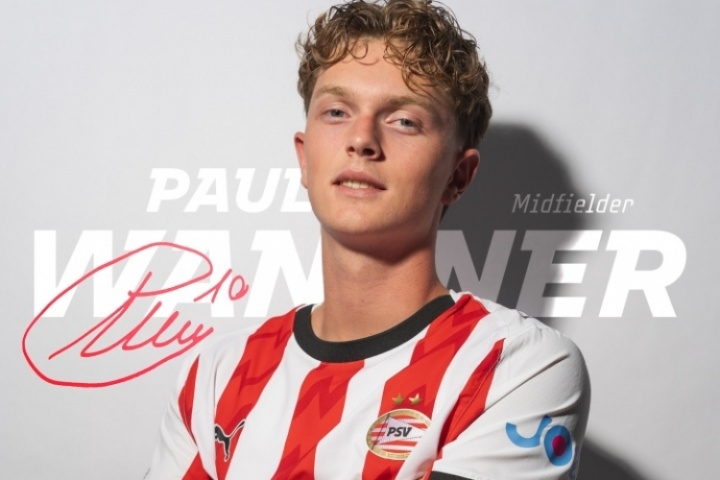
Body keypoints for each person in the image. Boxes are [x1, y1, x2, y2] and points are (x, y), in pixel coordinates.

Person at [146, 1, 590, 479]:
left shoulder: (517, 365)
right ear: (304, 157)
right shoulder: (217, 373)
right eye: (337, 111)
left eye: (404, 121)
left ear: (457, 176)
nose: (361, 139)